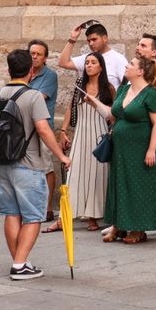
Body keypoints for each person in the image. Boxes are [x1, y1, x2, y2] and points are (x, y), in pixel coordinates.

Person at [0, 49, 72, 279]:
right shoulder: (33, 96)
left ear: (9, 70)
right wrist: (61, 156)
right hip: (28, 164)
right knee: (34, 216)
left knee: (11, 213)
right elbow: (43, 129)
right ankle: (19, 264)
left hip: (2, 162)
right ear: (30, 71)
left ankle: (20, 260)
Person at [102, 56, 156, 245]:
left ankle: (138, 228)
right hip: (120, 148)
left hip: (140, 148)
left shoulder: (151, 94)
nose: (126, 65)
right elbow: (113, 114)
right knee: (119, 183)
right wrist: (93, 103)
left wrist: (151, 149)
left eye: (131, 64)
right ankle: (118, 225)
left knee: (138, 185)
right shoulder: (123, 90)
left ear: (140, 71)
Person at [58, 52, 115, 232]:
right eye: (87, 62)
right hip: (81, 134)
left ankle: (93, 216)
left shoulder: (108, 88)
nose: (89, 65)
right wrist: (63, 131)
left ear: (101, 66)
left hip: (99, 133)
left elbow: (113, 113)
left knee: (97, 174)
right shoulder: (79, 86)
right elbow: (70, 108)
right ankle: (64, 217)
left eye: (93, 62)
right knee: (74, 174)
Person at [28, 39, 61, 230]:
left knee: (46, 167)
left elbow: (37, 99)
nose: (34, 57)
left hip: (43, 127)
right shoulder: (25, 73)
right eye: (32, 53)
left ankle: (47, 208)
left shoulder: (49, 76)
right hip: (25, 128)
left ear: (45, 57)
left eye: (38, 54)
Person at [57, 20, 128, 87]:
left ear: (105, 38)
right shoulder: (88, 59)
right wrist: (73, 38)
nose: (91, 43)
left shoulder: (118, 59)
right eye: (89, 41)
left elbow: (127, 86)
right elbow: (63, 63)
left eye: (94, 39)